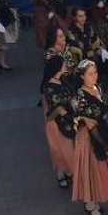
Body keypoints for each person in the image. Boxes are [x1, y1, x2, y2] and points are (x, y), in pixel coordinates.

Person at [70, 60, 108, 215]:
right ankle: (89, 202)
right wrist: (104, 145)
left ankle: (96, 196)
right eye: (90, 74)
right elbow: (90, 124)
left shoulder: (97, 88)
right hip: (89, 137)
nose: (94, 76)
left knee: (99, 169)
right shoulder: (80, 97)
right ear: (82, 76)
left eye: (95, 72)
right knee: (90, 168)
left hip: (101, 129)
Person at [40, 55, 75, 190]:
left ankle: (68, 170)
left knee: (68, 148)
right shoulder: (50, 87)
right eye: (63, 64)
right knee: (60, 149)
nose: (66, 65)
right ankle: (61, 172)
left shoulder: (61, 80)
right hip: (57, 123)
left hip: (67, 120)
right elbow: (58, 108)